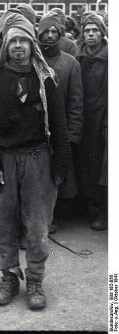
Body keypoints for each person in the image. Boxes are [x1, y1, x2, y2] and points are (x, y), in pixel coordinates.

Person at [0, 11, 71, 309]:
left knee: (36, 225)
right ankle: (8, 276)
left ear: (33, 45)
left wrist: (60, 167)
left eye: (24, 40)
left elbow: (58, 124)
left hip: (38, 159)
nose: (18, 45)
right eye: (13, 40)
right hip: (6, 159)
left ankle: (34, 279)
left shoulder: (46, 78)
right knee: (3, 224)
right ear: (5, 46)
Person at [37, 12, 83, 233]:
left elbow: (76, 102)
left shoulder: (70, 63)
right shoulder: (33, 59)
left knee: (58, 172)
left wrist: (73, 134)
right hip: (35, 128)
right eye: (46, 31)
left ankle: (54, 215)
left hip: (60, 128)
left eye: (54, 31)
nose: (50, 35)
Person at [75, 14, 108, 231]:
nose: (90, 34)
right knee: (84, 162)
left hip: (103, 117)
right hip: (83, 117)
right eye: (87, 31)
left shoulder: (110, 58)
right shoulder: (78, 57)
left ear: (102, 33)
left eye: (95, 30)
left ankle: (105, 211)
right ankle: (84, 205)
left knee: (104, 166)